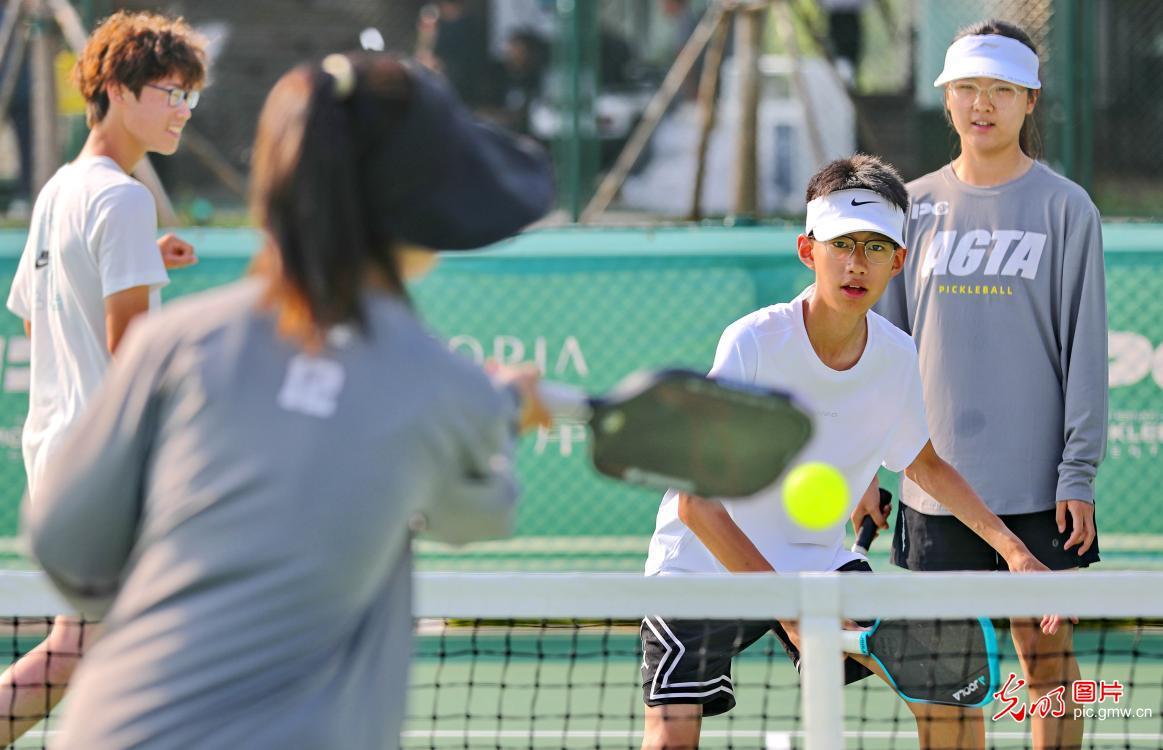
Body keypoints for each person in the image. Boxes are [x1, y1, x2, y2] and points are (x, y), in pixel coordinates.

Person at [23, 51, 553, 749]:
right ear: (425, 209)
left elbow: (64, 543)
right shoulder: (442, 387)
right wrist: (503, 411)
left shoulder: (175, 344)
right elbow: (482, 514)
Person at [639, 154, 1057, 750]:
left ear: (900, 262)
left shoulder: (895, 354)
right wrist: (791, 611)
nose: (857, 264)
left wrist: (1015, 553)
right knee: (673, 735)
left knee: (943, 685)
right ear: (809, 251)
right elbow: (694, 506)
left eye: (876, 247)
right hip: (702, 563)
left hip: (816, 562)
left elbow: (924, 462)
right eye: (842, 245)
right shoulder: (753, 343)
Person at [874, 19, 1107, 749]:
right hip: (931, 489)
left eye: (1000, 90)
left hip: (1040, 493)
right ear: (945, 100)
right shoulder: (905, 209)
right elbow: (884, 353)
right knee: (945, 682)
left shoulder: (1066, 209)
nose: (982, 104)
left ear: (1029, 100)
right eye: (967, 89)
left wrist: (1076, 476)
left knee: (1045, 664)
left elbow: (1086, 354)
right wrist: (865, 471)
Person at [0, 11, 205, 744]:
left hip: (60, 460)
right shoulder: (121, 199)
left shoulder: (61, 190)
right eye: (168, 92)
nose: (182, 109)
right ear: (116, 88)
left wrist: (141, 259)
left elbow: (35, 314)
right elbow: (134, 357)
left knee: (74, 655)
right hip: (106, 469)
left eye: (190, 96)